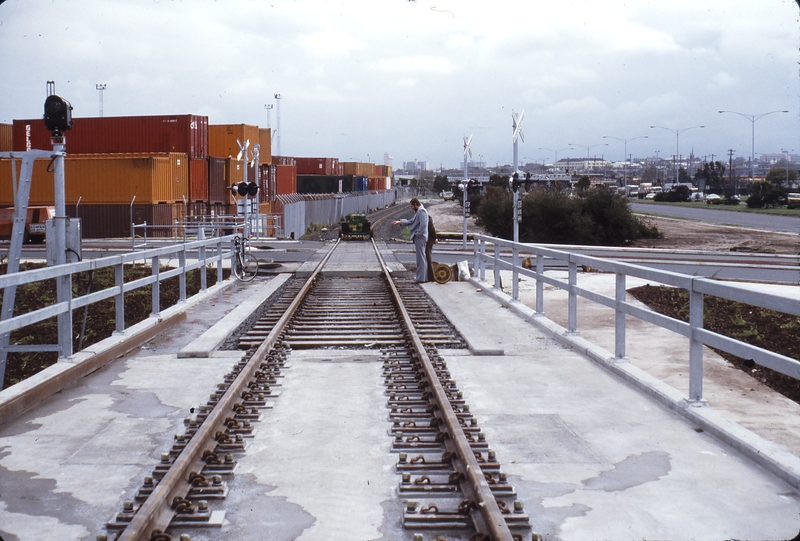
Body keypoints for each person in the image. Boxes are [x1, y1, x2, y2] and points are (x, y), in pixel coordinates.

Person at [392, 198, 429, 282]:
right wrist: (400, 222)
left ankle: (421, 278)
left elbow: (423, 225)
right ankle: (423, 277)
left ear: (416, 204)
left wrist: (417, 234)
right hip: (420, 237)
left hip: (420, 237)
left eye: (412, 206)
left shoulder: (421, 211)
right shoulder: (419, 211)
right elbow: (412, 221)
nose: (411, 208)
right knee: (421, 258)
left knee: (421, 259)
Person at [426, 214, 436, 282]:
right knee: (427, 257)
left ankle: (431, 277)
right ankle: (428, 276)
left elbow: (431, 228)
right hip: (429, 239)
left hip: (428, 240)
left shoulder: (426, 217)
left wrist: (435, 238)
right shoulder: (427, 216)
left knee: (428, 257)